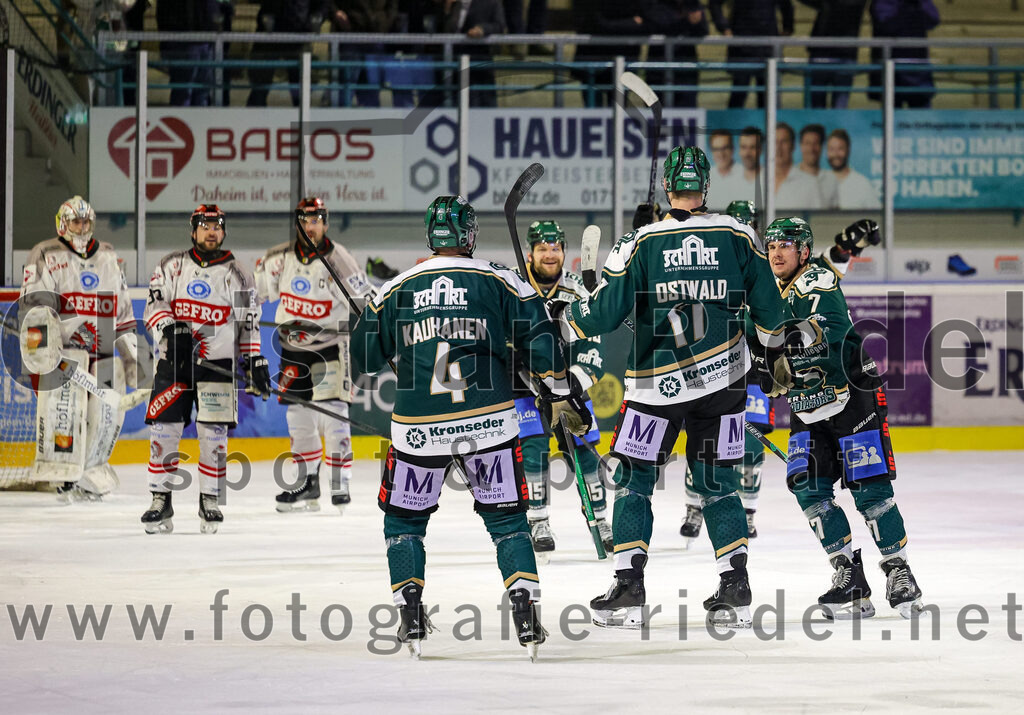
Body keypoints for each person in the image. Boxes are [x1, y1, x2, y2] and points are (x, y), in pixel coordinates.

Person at [554, 147, 806, 630]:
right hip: (724, 385)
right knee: (717, 484)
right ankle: (734, 582)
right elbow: (773, 313)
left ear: (668, 186)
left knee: (634, 481)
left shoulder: (641, 241)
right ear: (706, 186)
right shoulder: (738, 236)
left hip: (656, 390)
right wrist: (776, 353)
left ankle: (629, 584)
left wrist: (572, 313)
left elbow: (604, 315)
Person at [350, 195, 591, 658]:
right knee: (508, 522)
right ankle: (526, 617)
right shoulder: (501, 278)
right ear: (470, 235)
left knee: (404, 522)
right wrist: (560, 391)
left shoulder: (395, 288)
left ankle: (411, 617)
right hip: (490, 424)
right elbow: (544, 348)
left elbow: (363, 361)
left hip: (419, 427)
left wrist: (368, 317)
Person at [764, 216, 924, 619]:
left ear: (802, 251)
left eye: (786, 245)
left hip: (852, 395)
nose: (776, 252)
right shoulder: (766, 291)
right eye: (771, 246)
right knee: (808, 489)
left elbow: (828, 330)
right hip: (806, 406)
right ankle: (849, 579)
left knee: (869, 491)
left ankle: (900, 573)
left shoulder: (817, 279)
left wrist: (780, 353)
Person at [141, 205, 271, 534]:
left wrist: (254, 361)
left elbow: (249, 324)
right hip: (174, 364)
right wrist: (171, 332)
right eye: (205, 226)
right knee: (164, 430)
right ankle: (160, 498)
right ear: (193, 230)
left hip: (218, 366)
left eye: (217, 226)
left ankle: (209, 499)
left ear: (223, 231)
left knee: (214, 436)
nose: (211, 231)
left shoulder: (238, 271)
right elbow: (155, 306)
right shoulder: (171, 265)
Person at [254, 197, 375, 514]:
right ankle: (307, 482)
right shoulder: (277, 258)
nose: (312, 226)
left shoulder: (340, 259)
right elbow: (252, 293)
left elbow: (365, 301)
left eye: (318, 220)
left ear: (326, 223)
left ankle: (340, 482)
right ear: (299, 223)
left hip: (330, 348)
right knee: (299, 419)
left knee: (333, 414)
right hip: (292, 350)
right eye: (307, 220)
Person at [18, 196, 138, 502]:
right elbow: (34, 306)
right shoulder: (45, 253)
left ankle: (91, 472)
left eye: (86, 222)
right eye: (75, 221)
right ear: (62, 223)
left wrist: (132, 356)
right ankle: (64, 477)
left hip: (104, 352)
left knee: (105, 417)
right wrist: (41, 349)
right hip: (65, 354)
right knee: (66, 415)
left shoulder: (108, 257)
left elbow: (122, 311)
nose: (82, 228)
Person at [512, 220, 611, 557]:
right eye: (543, 248)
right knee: (534, 446)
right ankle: (537, 519)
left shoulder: (576, 291)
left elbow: (594, 345)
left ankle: (600, 519)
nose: (550, 254)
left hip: (568, 386)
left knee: (585, 450)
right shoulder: (512, 285)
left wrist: (571, 386)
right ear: (531, 253)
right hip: (524, 385)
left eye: (555, 248)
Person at [677, 199, 771, 547]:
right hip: (714, 372)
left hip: (754, 376)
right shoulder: (707, 268)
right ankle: (695, 505)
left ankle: (747, 509)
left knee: (750, 448)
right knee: (703, 446)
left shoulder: (765, 266)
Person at [709, 0, 794, 109]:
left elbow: (786, 5)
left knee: (767, 98)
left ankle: (767, 125)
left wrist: (788, 27)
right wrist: (724, 27)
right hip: (742, 47)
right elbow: (714, 3)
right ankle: (733, 125)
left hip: (767, 47)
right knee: (739, 95)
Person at [247, 0, 330, 107]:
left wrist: (316, 19)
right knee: (259, 86)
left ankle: (301, 120)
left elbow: (323, 5)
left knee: (301, 88)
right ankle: (254, 116)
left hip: (299, 36)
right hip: (269, 35)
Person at [869, 0, 940, 109]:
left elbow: (933, 20)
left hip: (919, 70)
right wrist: (907, 8)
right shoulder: (883, 3)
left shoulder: (920, 2)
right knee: (892, 117)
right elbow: (887, 25)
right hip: (892, 69)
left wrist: (917, 5)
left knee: (922, 118)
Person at [798, 0, 867, 109]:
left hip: (826, 53)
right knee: (838, 105)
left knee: (819, 107)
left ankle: (824, 124)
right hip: (842, 54)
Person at [644, 0, 709, 108]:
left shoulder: (693, 4)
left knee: (687, 111)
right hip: (658, 72)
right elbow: (660, 25)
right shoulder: (656, 4)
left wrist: (695, 21)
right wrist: (687, 21)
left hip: (686, 71)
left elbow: (704, 30)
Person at [441, 0, 505, 107]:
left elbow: (499, 26)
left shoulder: (491, 3)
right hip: (455, 65)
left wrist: (482, 29)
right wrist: (447, 10)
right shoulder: (452, 4)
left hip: (479, 64)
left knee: (483, 105)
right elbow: (445, 30)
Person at [824, 128, 879, 209]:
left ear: (848, 150)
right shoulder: (820, 183)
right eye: (831, 149)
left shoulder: (863, 184)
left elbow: (877, 218)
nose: (835, 154)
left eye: (840, 149)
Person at [775, 122, 823, 210]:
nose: (778, 147)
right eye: (775, 142)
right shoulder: (759, 180)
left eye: (784, 142)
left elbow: (818, 221)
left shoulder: (810, 184)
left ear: (793, 146)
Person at [706, 129, 755, 209]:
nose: (721, 154)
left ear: (732, 149)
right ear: (711, 151)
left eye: (725, 148)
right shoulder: (706, 177)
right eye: (716, 149)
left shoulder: (746, 174)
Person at [798, 124, 839, 209]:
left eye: (816, 143)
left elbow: (835, 215)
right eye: (807, 143)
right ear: (801, 146)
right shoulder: (790, 178)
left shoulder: (831, 178)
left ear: (822, 146)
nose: (811, 149)